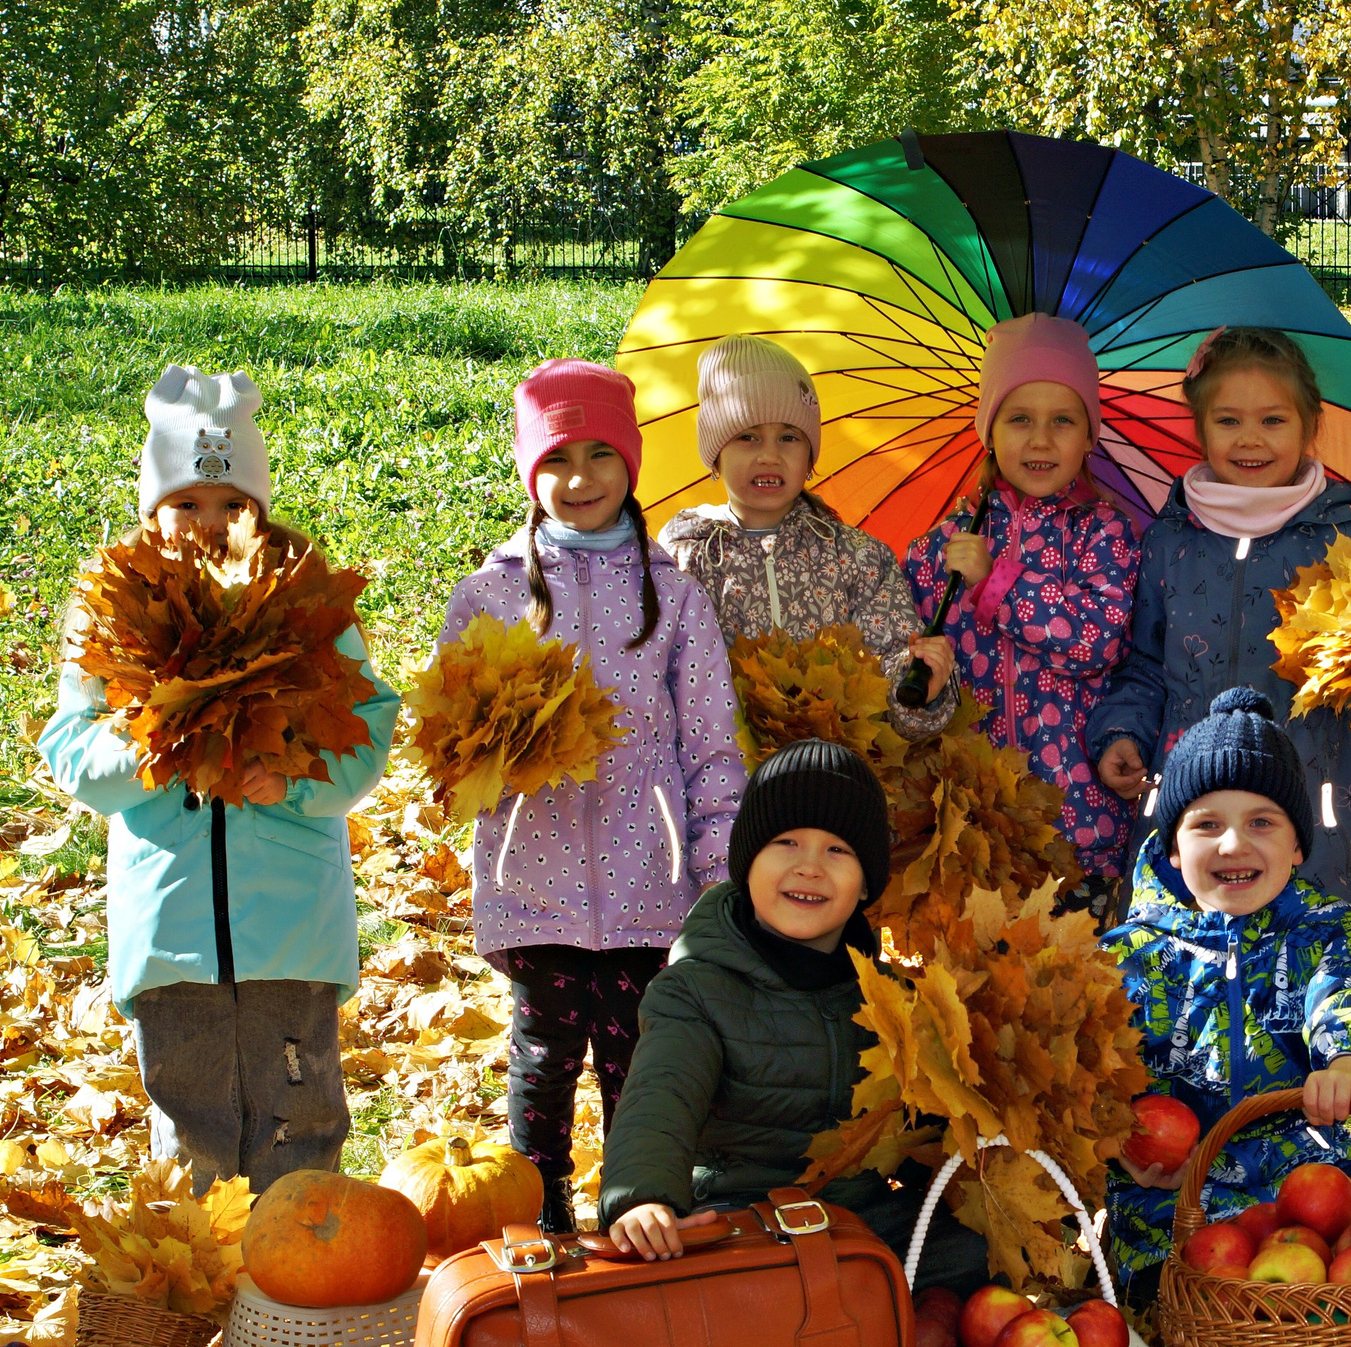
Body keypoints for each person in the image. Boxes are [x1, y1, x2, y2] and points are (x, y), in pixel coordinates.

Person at [38, 366, 399, 1194]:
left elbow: (367, 723)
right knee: (191, 1129)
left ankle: (294, 1306)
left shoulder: (305, 594)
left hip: (291, 926)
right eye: (186, 503)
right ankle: (201, 1301)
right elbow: (69, 745)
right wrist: (151, 748)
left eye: (233, 504)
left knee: (298, 1126)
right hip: (171, 931)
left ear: (259, 510)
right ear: (153, 507)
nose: (209, 522)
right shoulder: (112, 605)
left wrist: (297, 782)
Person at [438, 359, 747, 1234]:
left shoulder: (674, 594)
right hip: (532, 879)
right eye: (558, 458)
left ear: (632, 464)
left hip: (652, 880)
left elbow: (711, 743)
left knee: (638, 1062)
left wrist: (717, 865)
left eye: (600, 456)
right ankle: (540, 1227)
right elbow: (450, 733)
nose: (579, 480)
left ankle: (635, 1212)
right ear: (530, 470)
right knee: (540, 1058)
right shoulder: (490, 593)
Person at [597, 740, 991, 1293]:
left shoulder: (890, 998)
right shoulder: (697, 990)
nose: (809, 866)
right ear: (747, 862)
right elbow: (660, 1097)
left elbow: (919, 1130)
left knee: (973, 1254)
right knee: (723, 1294)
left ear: (866, 885)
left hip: (857, 1218)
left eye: (838, 851)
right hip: (740, 1223)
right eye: (786, 843)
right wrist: (643, 1198)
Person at [1098, 688, 1351, 1302]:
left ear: (1297, 845)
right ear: (1174, 847)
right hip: (1175, 1191)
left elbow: (1347, 992)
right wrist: (1114, 1139)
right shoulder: (1127, 953)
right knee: (1177, 1292)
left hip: (1301, 1174)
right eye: (1206, 825)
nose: (1233, 845)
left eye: (1261, 822)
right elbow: (1089, 1069)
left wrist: (1349, 1062)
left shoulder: (1319, 928)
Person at [1087, 326, 1351, 914]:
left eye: (1273, 420)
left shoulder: (1346, 538)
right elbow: (1144, 662)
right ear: (1199, 429)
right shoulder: (1171, 540)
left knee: (1307, 964)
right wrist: (1123, 731)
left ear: (1309, 424)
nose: (1251, 439)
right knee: (1178, 969)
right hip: (1188, 799)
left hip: (1308, 796)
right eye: (1228, 421)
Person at [903, 314, 1140, 911]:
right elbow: (905, 655)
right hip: (975, 823)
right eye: (1019, 419)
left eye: (1063, 420)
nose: (1040, 439)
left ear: (1090, 436)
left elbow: (1097, 641)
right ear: (989, 432)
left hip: (1080, 824)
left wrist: (999, 583)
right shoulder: (943, 547)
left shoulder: (1105, 532)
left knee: (1082, 990)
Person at [660, 336, 959, 741]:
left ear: (810, 456)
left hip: (837, 773)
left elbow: (891, 661)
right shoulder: (687, 557)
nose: (769, 455)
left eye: (789, 437)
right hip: (726, 776)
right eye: (747, 437)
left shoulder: (857, 557)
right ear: (715, 454)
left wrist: (921, 686)